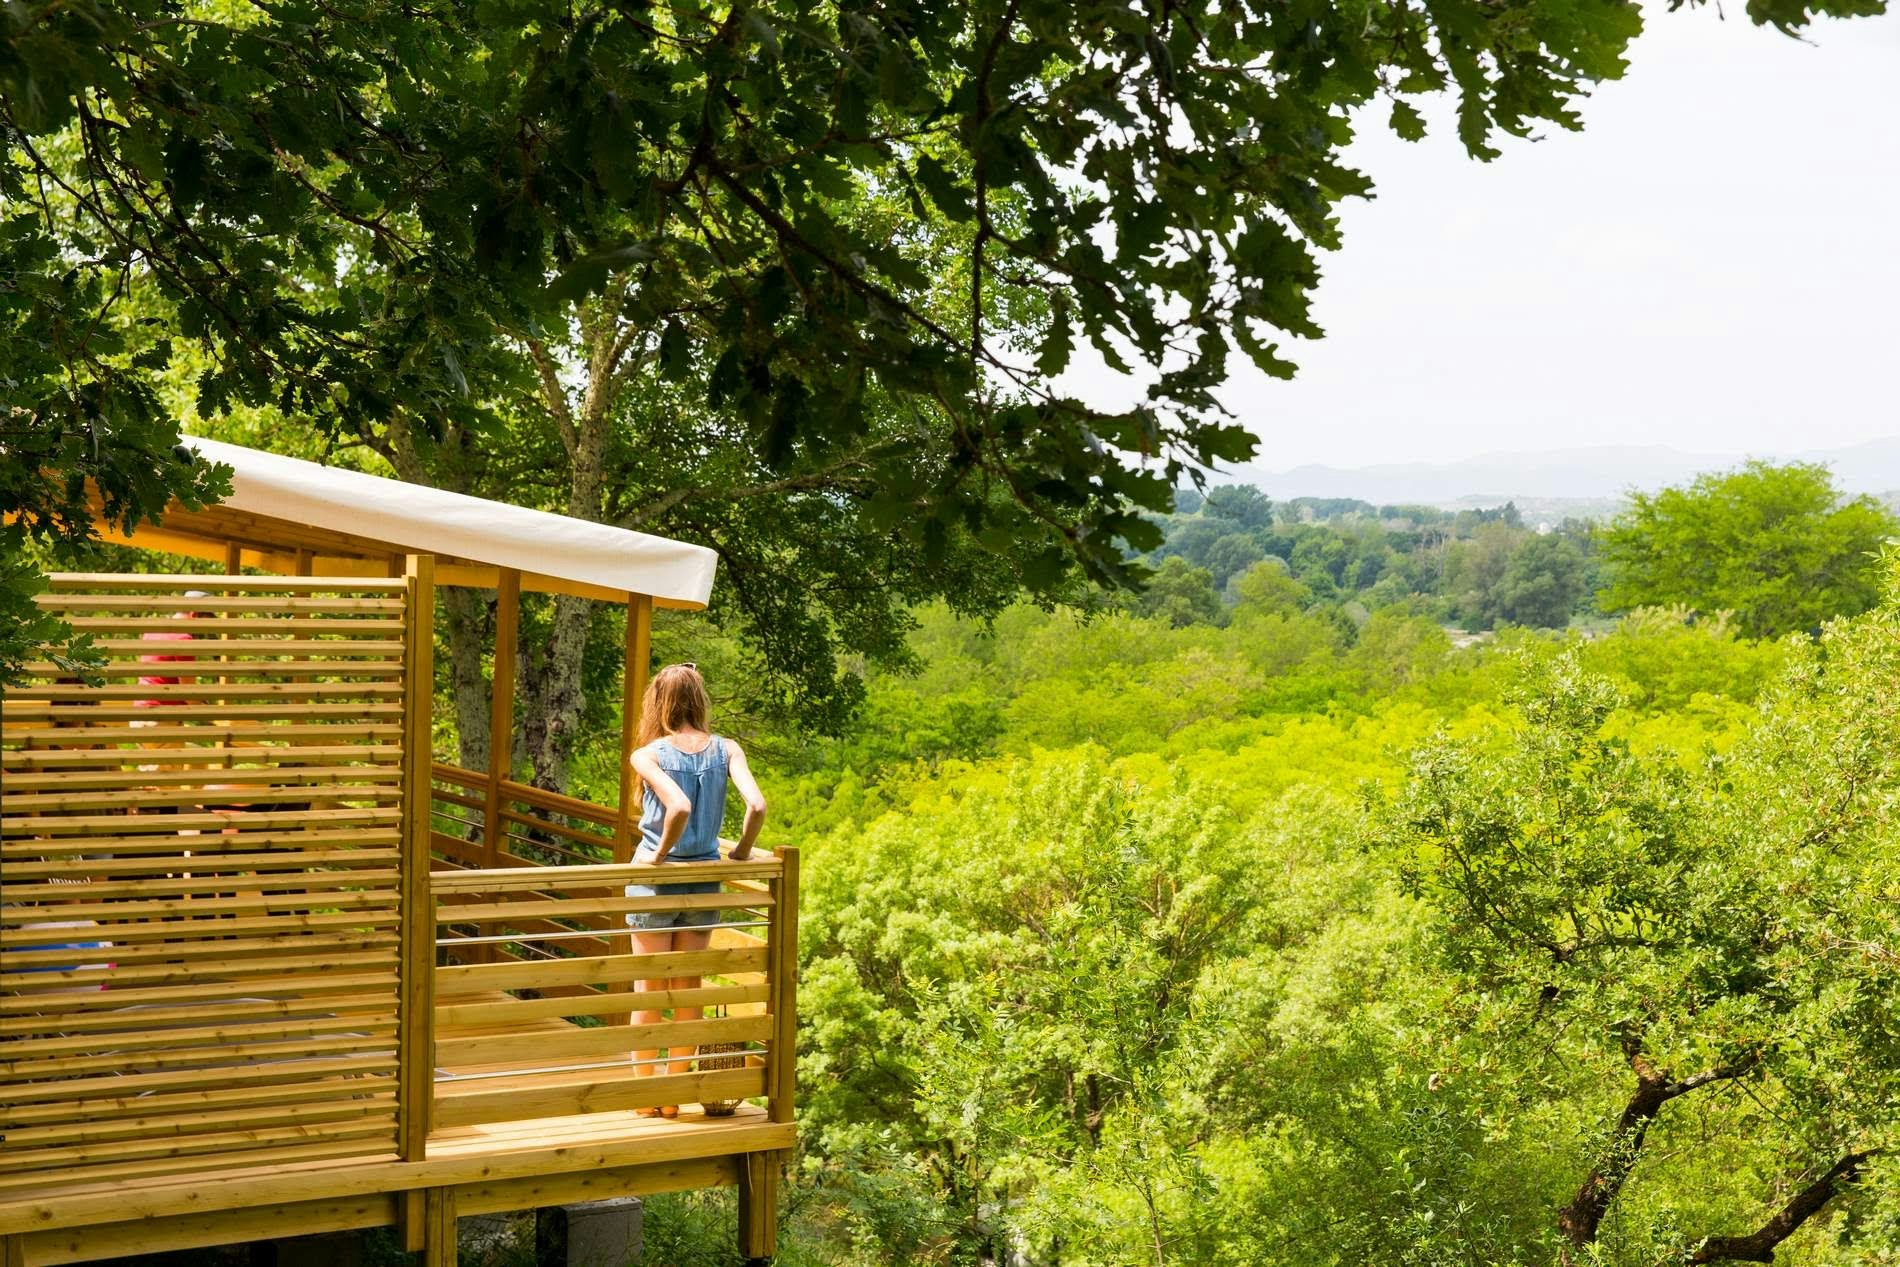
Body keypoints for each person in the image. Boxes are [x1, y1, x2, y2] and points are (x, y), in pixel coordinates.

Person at [625, 662, 767, 1118]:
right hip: (705, 881)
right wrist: (742, 851)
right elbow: (758, 805)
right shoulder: (727, 749)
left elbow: (678, 806)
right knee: (688, 990)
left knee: (649, 991)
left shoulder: (648, 754)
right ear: (699, 701)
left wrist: (659, 855)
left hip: (655, 885)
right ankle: (672, 1096)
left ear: (658, 703)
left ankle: (645, 1100)